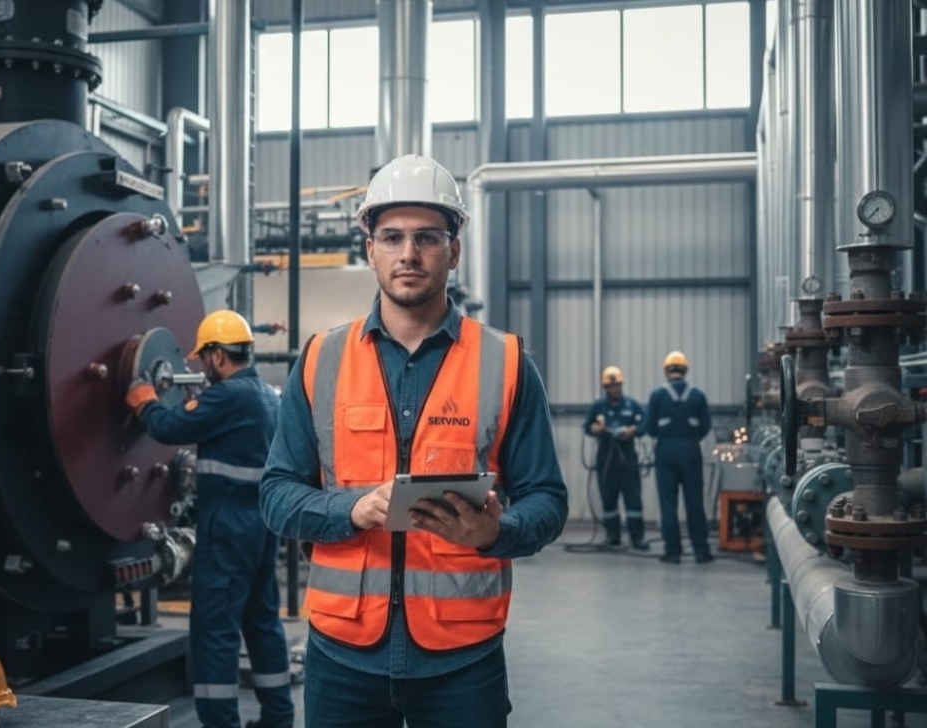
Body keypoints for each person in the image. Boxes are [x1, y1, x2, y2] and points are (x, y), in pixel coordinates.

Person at [258, 154, 569, 728]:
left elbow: (548, 499)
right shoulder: (320, 359)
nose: (408, 254)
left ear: (454, 248)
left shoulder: (505, 363)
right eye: (392, 237)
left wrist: (497, 531)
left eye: (427, 237)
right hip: (341, 654)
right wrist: (352, 507)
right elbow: (276, 495)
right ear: (369, 247)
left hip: (462, 661)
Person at [126, 310, 294, 728]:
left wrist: (144, 400)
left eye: (204, 358)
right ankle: (279, 717)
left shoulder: (228, 396)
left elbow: (168, 426)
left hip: (228, 527)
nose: (202, 366)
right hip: (262, 526)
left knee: (215, 631)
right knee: (262, 622)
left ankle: (220, 722)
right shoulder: (267, 396)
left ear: (219, 356)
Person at [644, 350, 714, 565]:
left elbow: (649, 427)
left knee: (668, 504)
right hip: (691, 451)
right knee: (695, 502)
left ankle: (673, 552)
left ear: (667, 371)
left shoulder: (657, 395)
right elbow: (706, 427)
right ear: (685, 370)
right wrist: (689, 438)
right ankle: (701, 551)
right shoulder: (698, 395)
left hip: (666, 451)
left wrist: (666, 437)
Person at [581, 365, 648, 550]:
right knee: (608, 498)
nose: (616, 389)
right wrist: (597, 428)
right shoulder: (598, 407)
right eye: (612, 386)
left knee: (633, 498)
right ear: (606, 388)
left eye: (618, 385)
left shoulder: (632, 405)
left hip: (628, 458)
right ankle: (613, 535)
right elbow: (587, 427)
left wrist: (633, 430)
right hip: (607, 457)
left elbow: (644, 424)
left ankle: (637, 537)